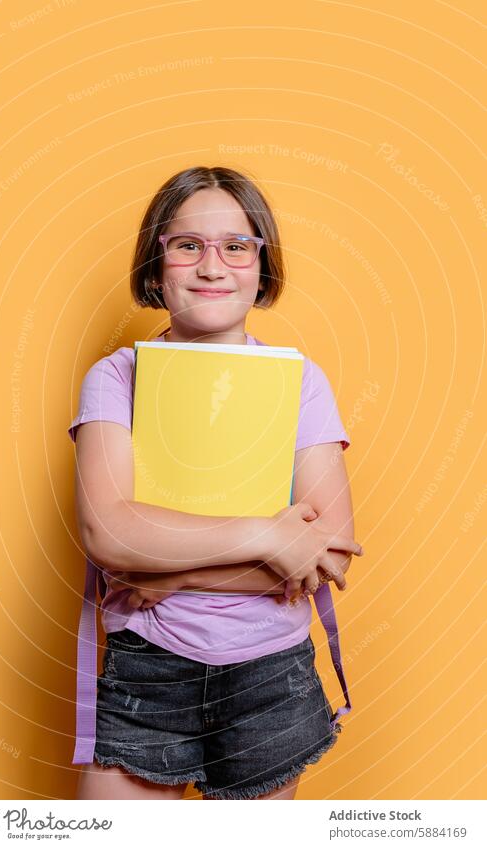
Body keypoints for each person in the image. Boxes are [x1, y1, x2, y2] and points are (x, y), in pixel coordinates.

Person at [70, 166, 364, 800]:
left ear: (262, 269)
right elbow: (109, 531)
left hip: (270, 672)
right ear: (155, 268)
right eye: (187, 246)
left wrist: (171, 570)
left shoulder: (302, 382)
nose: (212, 266)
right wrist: (266, 535)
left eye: (236, 246)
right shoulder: (116, 378)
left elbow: (329, 550)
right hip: (146, 664)